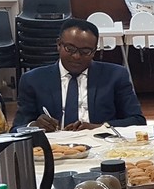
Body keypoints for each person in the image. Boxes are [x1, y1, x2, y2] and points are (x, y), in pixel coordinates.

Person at [12, 18, 146, 131]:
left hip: (102, 145)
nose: (76, 56)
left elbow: (137, 121)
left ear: (94, 51)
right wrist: (34, 125)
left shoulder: (115, 76)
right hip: (54, 147)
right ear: (58, 45)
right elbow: (16, 129)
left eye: (85, 51)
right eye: (70, 49)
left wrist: (98, 127)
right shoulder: (33, 80)